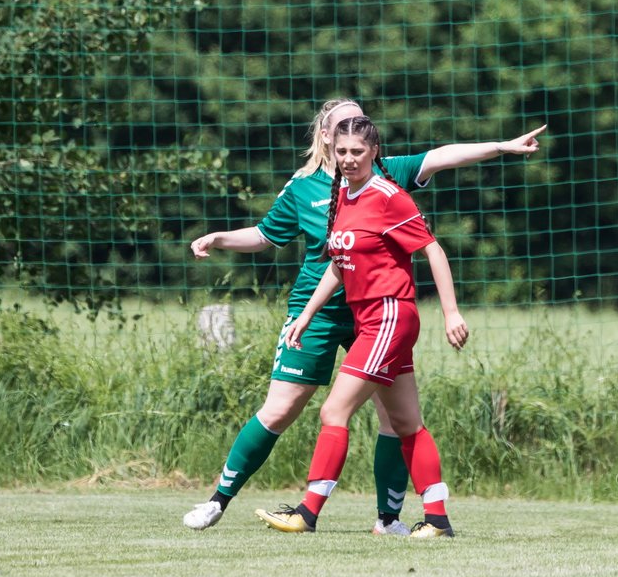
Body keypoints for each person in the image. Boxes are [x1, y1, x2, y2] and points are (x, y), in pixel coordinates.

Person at [185, 99, 543, 534]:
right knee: (290, 411)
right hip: (326, 311)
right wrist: (222, 238)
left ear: (370, 145)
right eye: (343, 137)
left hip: (380, 313)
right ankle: (219, 501)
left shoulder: (383, 178)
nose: (352, 148)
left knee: (367, 417)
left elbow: (442, 163)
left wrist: (502, 147)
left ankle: (356, 516)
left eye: (361, 136)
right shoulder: (318, 189)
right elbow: (282, 242)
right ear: (328, 139)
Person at [255, 115, 466, 537]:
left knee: (335, 410)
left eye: (357, 152)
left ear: (374, 152)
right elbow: (338, 265)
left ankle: (306, 513)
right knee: (407, 423)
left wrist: (451, 313)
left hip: (389, 315)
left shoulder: (388, 195)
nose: (348, 159)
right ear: (332, 151)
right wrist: (307, 315)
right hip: (373, 319)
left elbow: (433, 249)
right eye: (342, 152)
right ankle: (438, 520)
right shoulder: (343, 195)